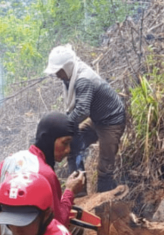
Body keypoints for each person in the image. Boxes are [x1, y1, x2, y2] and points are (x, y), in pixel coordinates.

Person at [44, 44, 126, 193]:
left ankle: (105, 200)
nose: (56, 75)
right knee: (73, 146)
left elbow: (82, 110)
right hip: (97, 119)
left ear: (67, 67)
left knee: (105, 168)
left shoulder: (83, 79)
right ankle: (79, 194)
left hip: (112, 121)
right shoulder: (71, 75)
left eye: (58, 71)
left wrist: (63, 127)